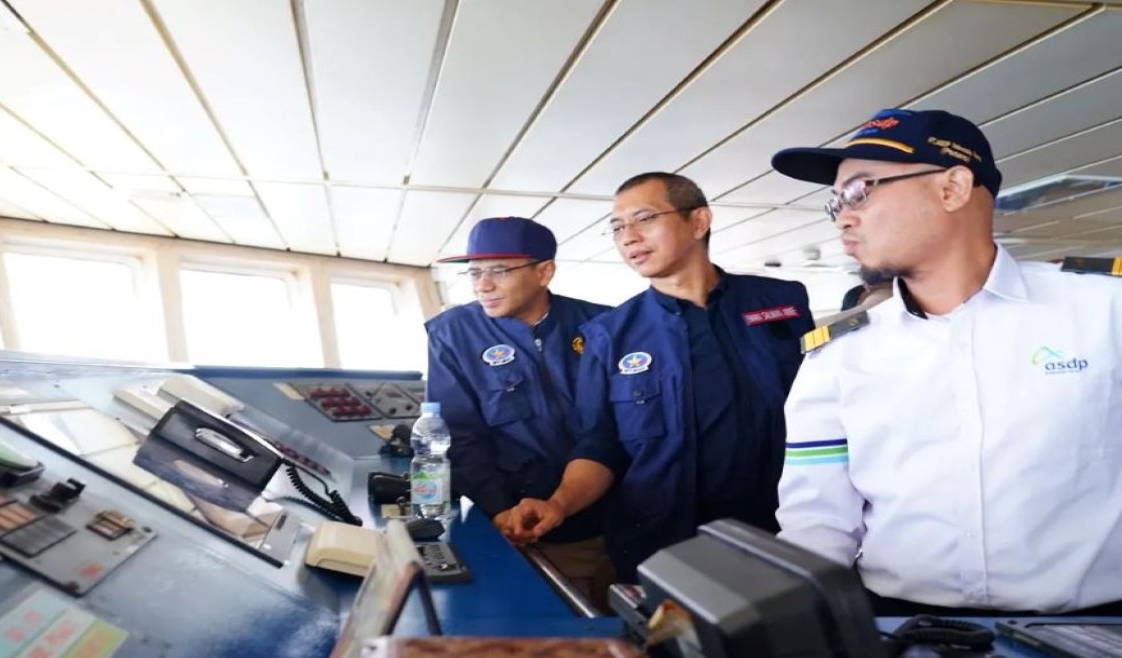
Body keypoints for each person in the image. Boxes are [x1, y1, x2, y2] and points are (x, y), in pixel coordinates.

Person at [770, 108, 1122, 614]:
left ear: (953, 188)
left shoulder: (1105, 310)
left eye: (860, 191)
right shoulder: (837, 355)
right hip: (902, 628)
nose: (843, 216)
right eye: (836, 202)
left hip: (1093, 631)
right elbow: (817, 525)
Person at [507, 173, 815, 582]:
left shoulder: (781, 302)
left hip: (784, 532)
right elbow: (600, 444)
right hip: (664, 544)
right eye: (617, 227)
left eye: (644, 219)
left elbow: (822, 409)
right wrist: (559, 504)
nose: (628, 237)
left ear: (699, 221)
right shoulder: (609, 336)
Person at [426, 217, 615, 610]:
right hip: (528, 526)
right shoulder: (454, 334)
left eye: (499, 270)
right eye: (474, 272)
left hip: (622, 516)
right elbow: (460, 433)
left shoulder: (603, 325)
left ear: (544, 272)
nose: (482, 285)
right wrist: (501, 511)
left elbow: (617, 427)